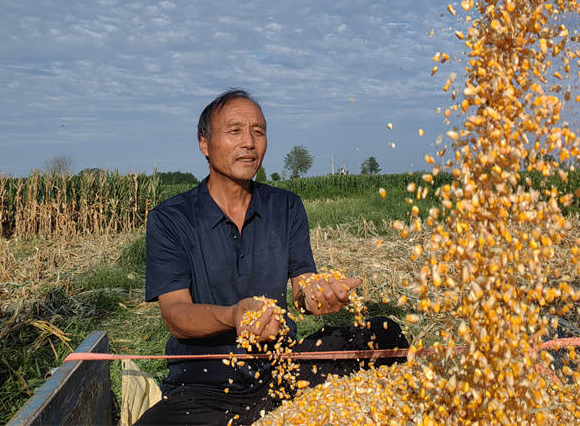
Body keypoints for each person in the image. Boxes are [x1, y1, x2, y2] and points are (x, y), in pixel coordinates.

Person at [136, 89, 407, 425]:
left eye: (258, 132)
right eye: (234, 131)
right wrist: (234, 315)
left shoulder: (286, 206)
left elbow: (302, 290)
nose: (249, 142)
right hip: (205, 385)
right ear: (204, 144)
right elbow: (176, 313)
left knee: (383, 335)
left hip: (283, 369)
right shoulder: (170, 218)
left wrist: (318, 295)